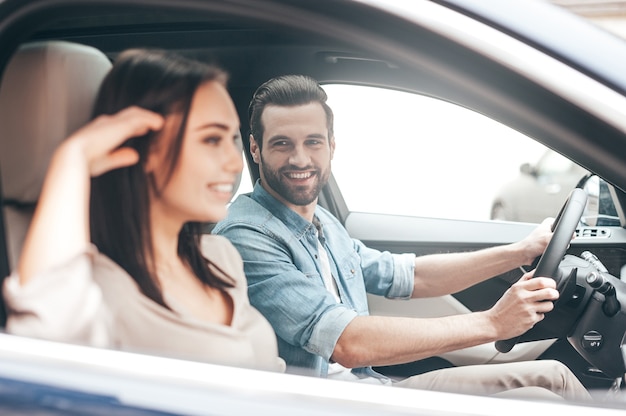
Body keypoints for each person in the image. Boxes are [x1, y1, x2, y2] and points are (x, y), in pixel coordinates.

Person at [213, 74, 591, 399]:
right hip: (327, 403)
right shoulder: (247, 235)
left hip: (370, 389)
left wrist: (520, 251)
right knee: (539, 400)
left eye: (313, 142)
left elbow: (409, 275)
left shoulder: (320, 221)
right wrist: (493, 323)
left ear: (331, 147)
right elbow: (349, 342)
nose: (300, 159)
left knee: (554, 377)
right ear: (255, 149)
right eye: (282, 144)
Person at [3, 49, 284, 372]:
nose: (236, 163)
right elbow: (45, 355)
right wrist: (73, 158)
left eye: (232, 138)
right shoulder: (100, 287)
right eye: (210, 139)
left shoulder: (219, 257)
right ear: (146, 145)